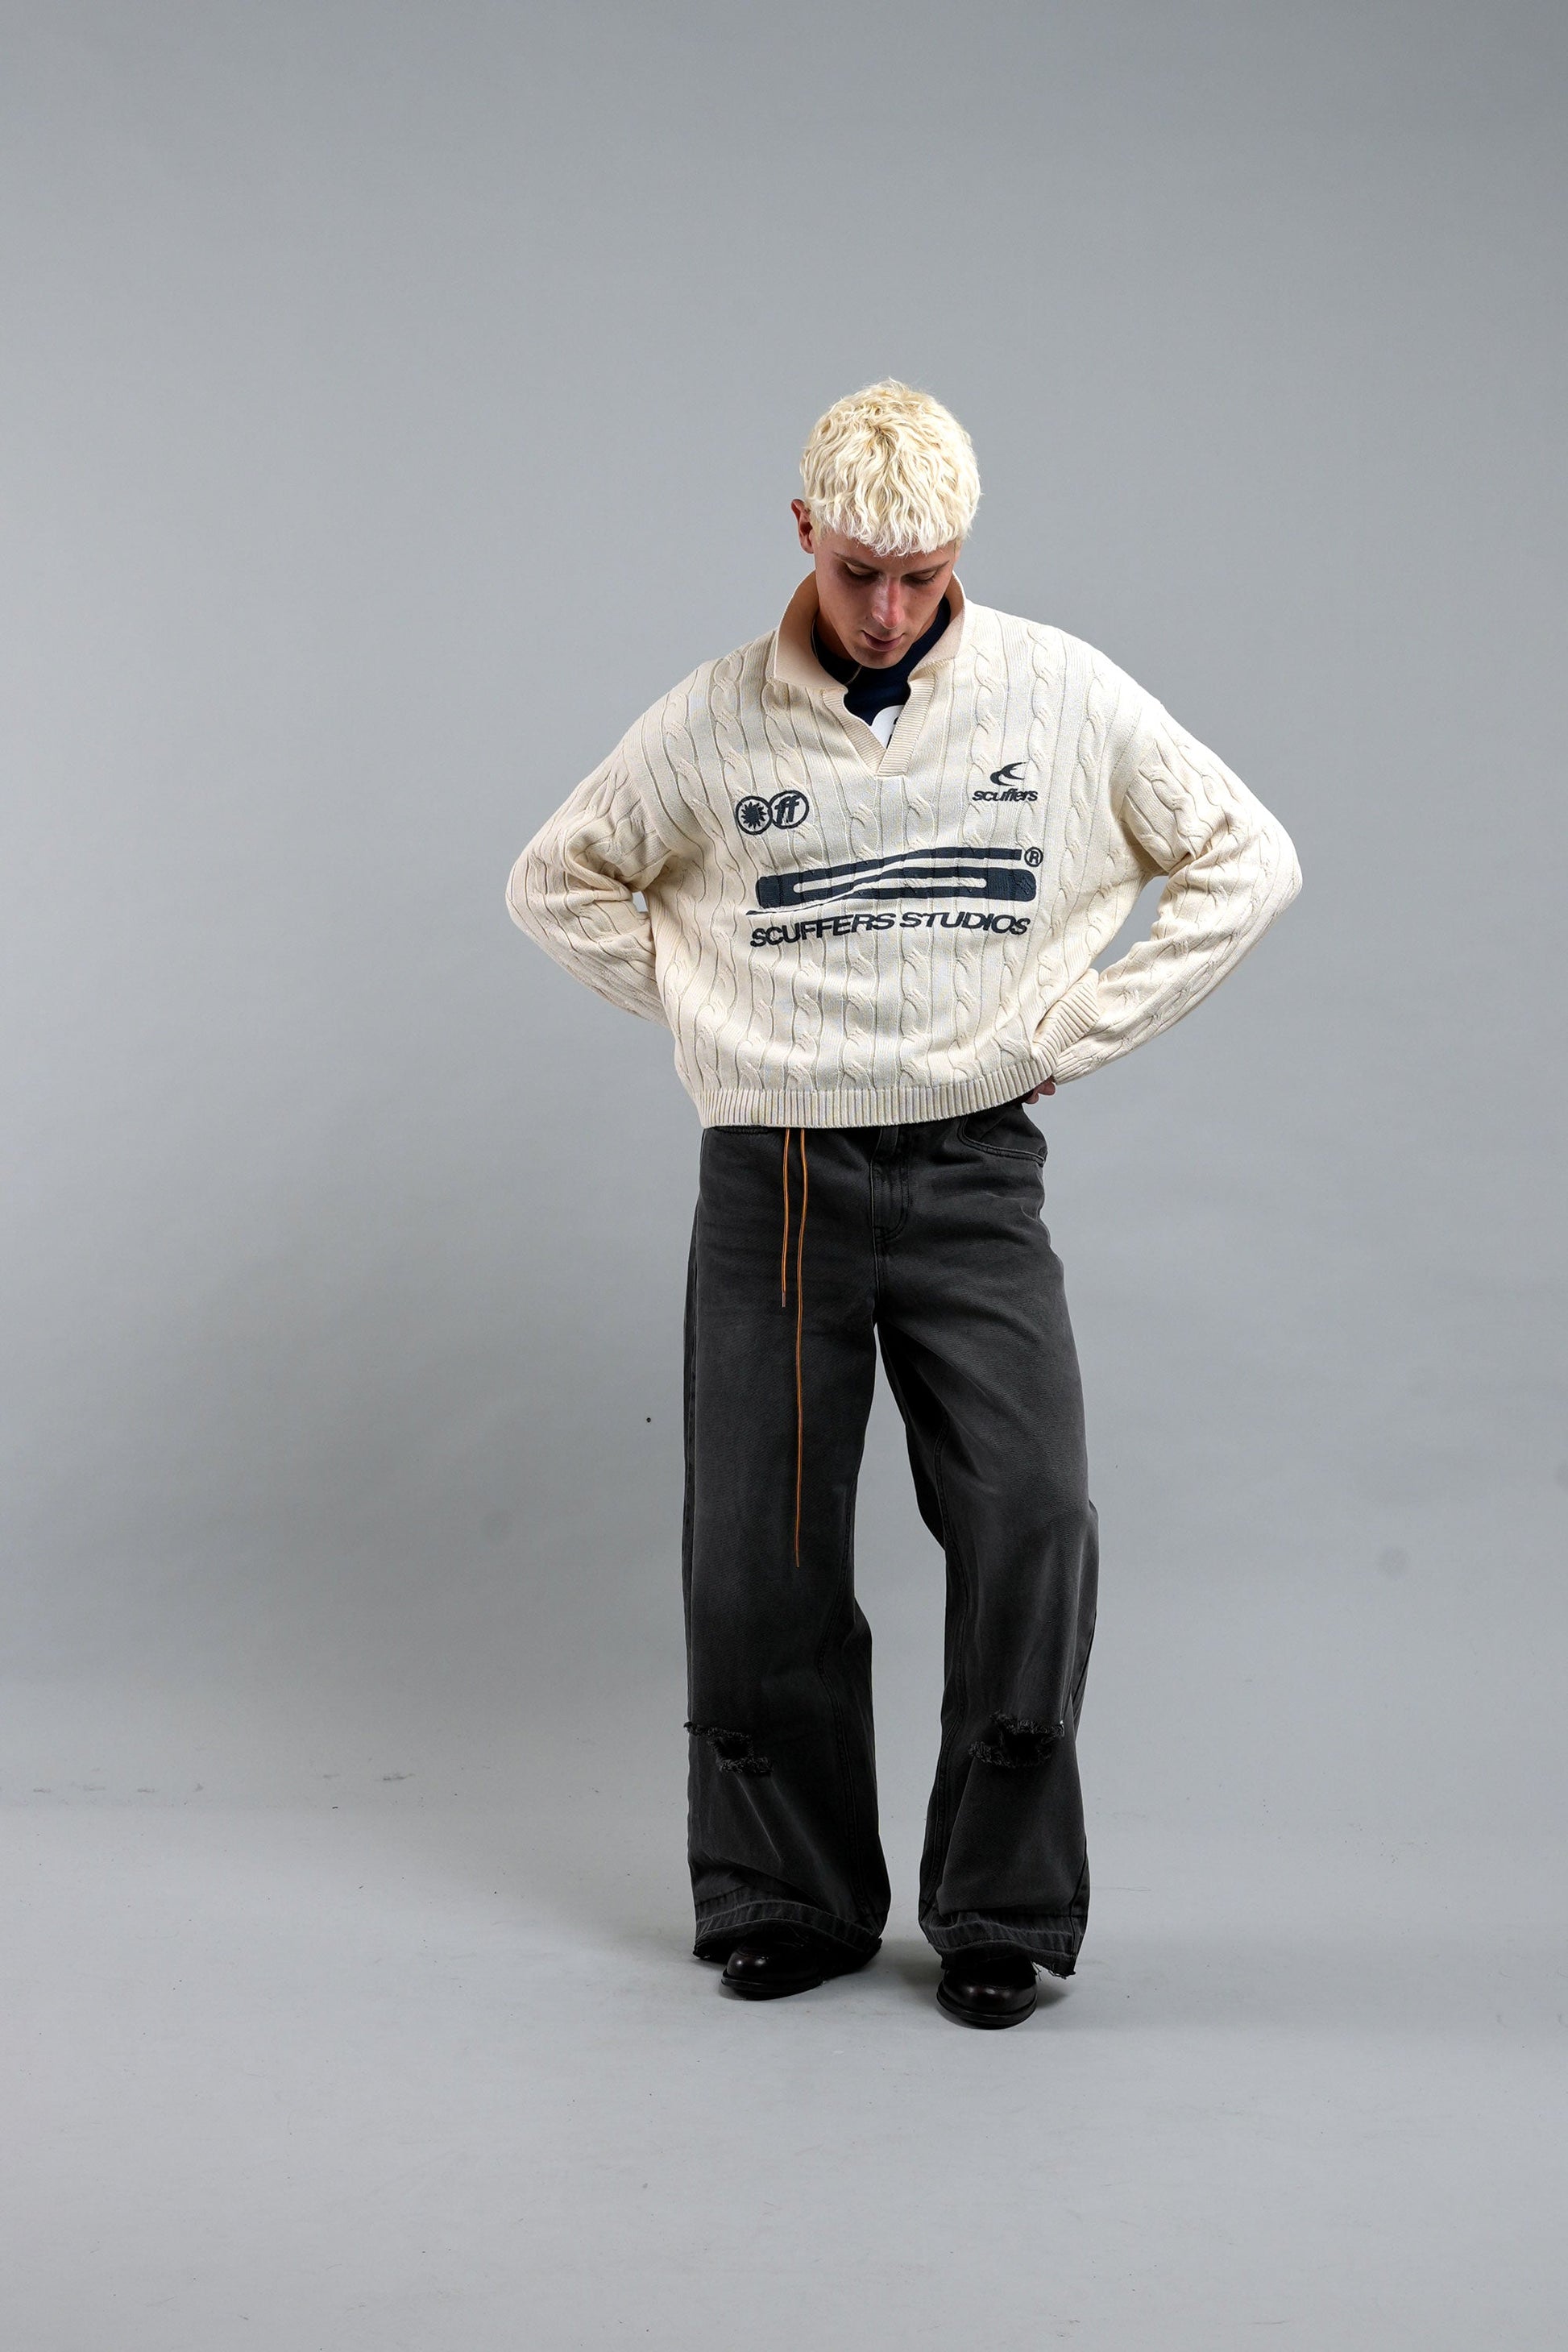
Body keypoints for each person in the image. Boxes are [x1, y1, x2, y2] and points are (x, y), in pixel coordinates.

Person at [507, 381, 1300, 2027]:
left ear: (960, 550)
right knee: (758, 1552)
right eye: (860, 571)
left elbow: (1244, 856)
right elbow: (555, 878)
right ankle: (786, 1895)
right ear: (804, 531)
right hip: (776, 1179)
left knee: (1030, 1518)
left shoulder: (1058, 692)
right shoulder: (711, 721)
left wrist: (1078, 1026)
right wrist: (719, 1016)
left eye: (921, 576)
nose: (887, 609)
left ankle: (999, 1908)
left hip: (970, 1169)